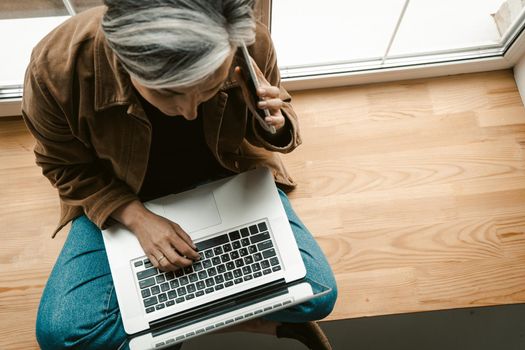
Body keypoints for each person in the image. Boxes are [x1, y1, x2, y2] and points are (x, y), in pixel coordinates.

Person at [22, 1, 338, 349]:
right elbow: (61, 165)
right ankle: (263, 322)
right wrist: (137, 218)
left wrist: (273, 122)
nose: (188, 112)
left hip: (227, 175)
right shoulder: (55, 67)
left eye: (208, 89)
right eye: (168, 93)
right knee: (62, 336)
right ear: (124, 60)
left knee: (318, 294)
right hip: (121, 191)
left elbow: (276, 123)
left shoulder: (247, 42)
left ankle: (166, 332)